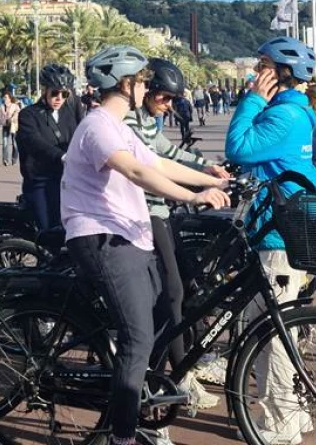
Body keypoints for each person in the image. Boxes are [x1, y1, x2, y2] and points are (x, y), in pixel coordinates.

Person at [63, 46, 229, 445]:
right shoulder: (99, 126)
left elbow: (157, 162)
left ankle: (134, 408)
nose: (146, 87)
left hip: (129, 236)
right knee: (137, 337)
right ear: (125, 83)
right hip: (104, 239)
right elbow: (137, 171)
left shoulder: (120, 127)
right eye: (141, 81)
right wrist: (192, 197)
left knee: (156, 320)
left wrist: (209, 181)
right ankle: (123, 437)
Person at [221, 36, 316, 443]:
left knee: (272, 336)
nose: (256, 72)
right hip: (283, 230)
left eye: (263, 65)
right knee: (269, 327)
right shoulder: (296, 111)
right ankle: (293, 411)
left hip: (276, 236)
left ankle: (279, 425)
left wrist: (251, 100)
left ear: (282, 72)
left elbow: (237, 148)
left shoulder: (283, 115)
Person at [126, 58, 228, 418]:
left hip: (162, 211)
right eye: (164, 98)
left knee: (183, 287)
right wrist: (199, 185)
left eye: (171, 99)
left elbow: (168, 151)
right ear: (146, 90)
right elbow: (152, 164)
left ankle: (181, 369)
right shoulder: (126, 122)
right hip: (143, 212)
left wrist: (205, 167)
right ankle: (178, 377)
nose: (168, 105)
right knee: (172, 293)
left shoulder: (146, 119)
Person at [16, 64, 80, 232]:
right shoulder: (29, 114)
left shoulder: (70, 112)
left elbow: (82, 135)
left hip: (67, 180)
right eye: (54, 93)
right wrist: (61, 156)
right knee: (49, 232)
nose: (59, 98)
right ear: (45, 90)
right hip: (41, 182)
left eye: (64, 94)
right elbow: (34, 142)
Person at [0, 90, 21, 166]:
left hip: (13, 126)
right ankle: (5, 160)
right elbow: (1, 117)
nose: (4, 98)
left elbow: (18, 114)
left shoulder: (15, 106)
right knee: (5, 143)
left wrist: (13, 118)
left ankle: (14, 159)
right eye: (4, 97)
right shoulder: (2, 106)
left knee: (15, 144)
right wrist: (0, 123)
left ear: (9, 98)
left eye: (6, 97)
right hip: (5, 126)